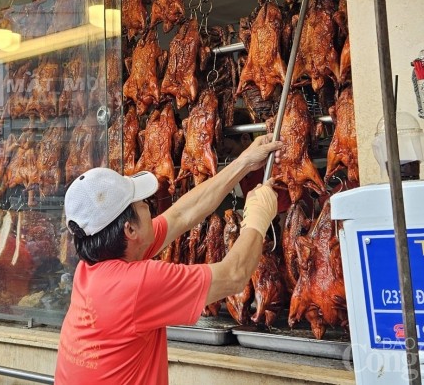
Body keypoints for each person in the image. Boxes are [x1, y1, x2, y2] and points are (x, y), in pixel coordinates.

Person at [54, 133, 284, 385]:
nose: (150, 206)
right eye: (142, 202)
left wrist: (244, 163)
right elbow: (234, 275)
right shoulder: (134, 285)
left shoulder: (91, 267)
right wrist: (258, 217)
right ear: (129, 230)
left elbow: (182, 215)